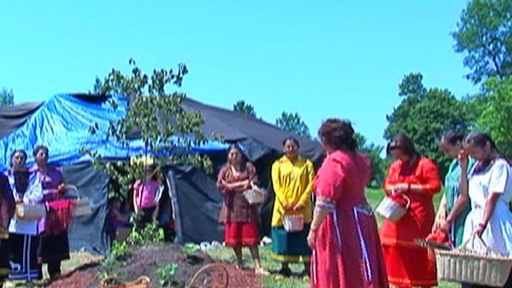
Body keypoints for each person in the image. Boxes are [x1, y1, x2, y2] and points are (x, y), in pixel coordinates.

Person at [307, 119, 388, 288]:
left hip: (343, 224)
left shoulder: (335, 161)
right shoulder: (359, 160)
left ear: (326, 140)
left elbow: (325, 200)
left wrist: (314, 229)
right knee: (360, 268)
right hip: (361, 219)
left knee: (341, 268)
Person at [381, 134, 441, 288]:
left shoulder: (425, 165)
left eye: (400, 155)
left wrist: (408, 187)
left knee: (418, 255)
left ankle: (422, 284)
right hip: (397, 217)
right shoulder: (395, 167)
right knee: (394, 252)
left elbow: (435, 187)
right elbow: (386, 185)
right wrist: (392, 189)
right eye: (395, 156)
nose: (398, 159)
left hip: (418, 217)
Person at [456, 132, 512, 288]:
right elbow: (464, 194)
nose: (474, 157)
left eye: (475, 152)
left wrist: (482, 225)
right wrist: (463, 168)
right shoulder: (476, 167)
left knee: (496, 269)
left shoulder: (500, 165)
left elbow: (492, 198)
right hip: (476, 218)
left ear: (487, 145)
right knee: (473, 270)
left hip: (494, 221)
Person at [216, 144, 269, 275]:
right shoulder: (225, 171)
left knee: (251, 237)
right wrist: (241, 184)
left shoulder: (248, 167)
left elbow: (253, 181)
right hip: (232, 208)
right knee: (235, 237)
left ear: (241, 155)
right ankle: (240, 263)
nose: (234, 156)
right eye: (232, 154)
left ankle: (258, 266)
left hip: (247, 207)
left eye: (236, 154)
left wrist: (232, 185)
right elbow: (220, 186)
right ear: (228, 156)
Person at [270, 137, 314, 276]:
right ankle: (284, 268)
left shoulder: (307, 165)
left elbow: (311, 184)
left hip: (302, 208)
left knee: (304, 237)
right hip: (283, 209)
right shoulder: (277, 165)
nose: (291, 149)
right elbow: (276, 185)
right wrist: (285, 203)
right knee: (283, 237)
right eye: (288, 147)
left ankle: (307, 269)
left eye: (293, 146)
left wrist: (301, 202)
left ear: (298, 147)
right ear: (283, 149)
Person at [31, 145, 69, 279]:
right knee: (41, 240)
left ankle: (55, 271)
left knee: (56, 238)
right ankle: (37, 273)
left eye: (46, 154)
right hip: (40, 212)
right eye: (41, 154)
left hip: (56, 211)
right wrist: (51, 192)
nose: (44, 156)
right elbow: (32, 193)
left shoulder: (56, 171)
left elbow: (64, 186)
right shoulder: (32, 174)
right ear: (35, 156)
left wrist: (62, 188)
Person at [6, 149, 44, 281]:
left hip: (28, 217)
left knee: (27, 248)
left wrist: (25, 199)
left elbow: (38, 192)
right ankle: (13, 276)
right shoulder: (6, 176)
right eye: (17, 157)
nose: (19, 160)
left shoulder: (33, 176)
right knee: (12, 246)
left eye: (22, 158)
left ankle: (28, 276)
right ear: (11, 159)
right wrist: (13, 199)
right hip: (11, 218)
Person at [432, 131, 475, 247]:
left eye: (447, 150)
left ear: (458, 144)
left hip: (463, 216)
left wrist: (449, 220)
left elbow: (464, 196)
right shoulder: (453, 165)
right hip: (451, 217)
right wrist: (442, 208)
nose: (446, 155)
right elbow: (448, 190)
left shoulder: (471, 163)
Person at [132, 164, 162, 230]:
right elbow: (135, 195)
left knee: (151, 227)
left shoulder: (155, 183)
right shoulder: (139, 183)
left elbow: (157, 197)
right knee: (140, 227)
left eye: (149, 172)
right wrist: (136, 207)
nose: (148, 174)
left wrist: (156, 209)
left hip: (151, 208)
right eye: (146, 172)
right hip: (141, 208)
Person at [0, 162, 14, 286]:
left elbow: (8, 200)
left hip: (1, 223)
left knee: (2, 249)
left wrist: (6, 220)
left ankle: (4, 278)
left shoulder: (2, 179)